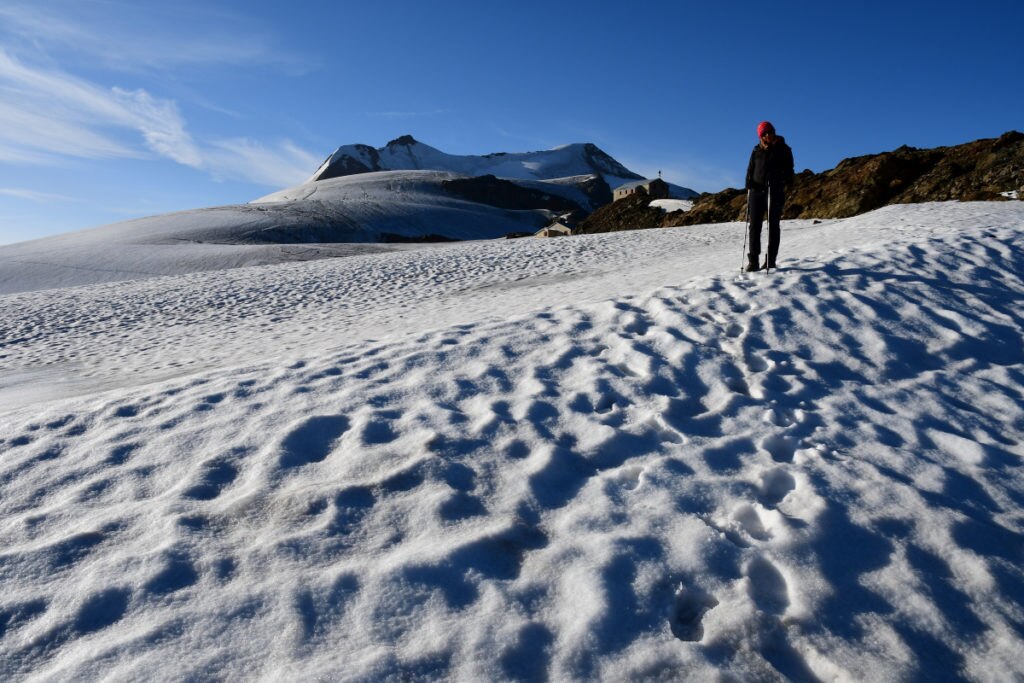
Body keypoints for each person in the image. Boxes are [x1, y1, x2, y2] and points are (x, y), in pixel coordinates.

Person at [744, 121, 794, 271]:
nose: (768, 135)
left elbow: (789, 170)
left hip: (774, 191)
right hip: (756, 192)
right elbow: (750, 169)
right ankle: (753, 261)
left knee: (772, 226)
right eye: (764, 133)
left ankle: (770, 260)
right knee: (754, 226)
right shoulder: (756, 151)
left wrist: (782, 179)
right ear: (761, 136)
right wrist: (748, 183)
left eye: (770, 132)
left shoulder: (784, 149)